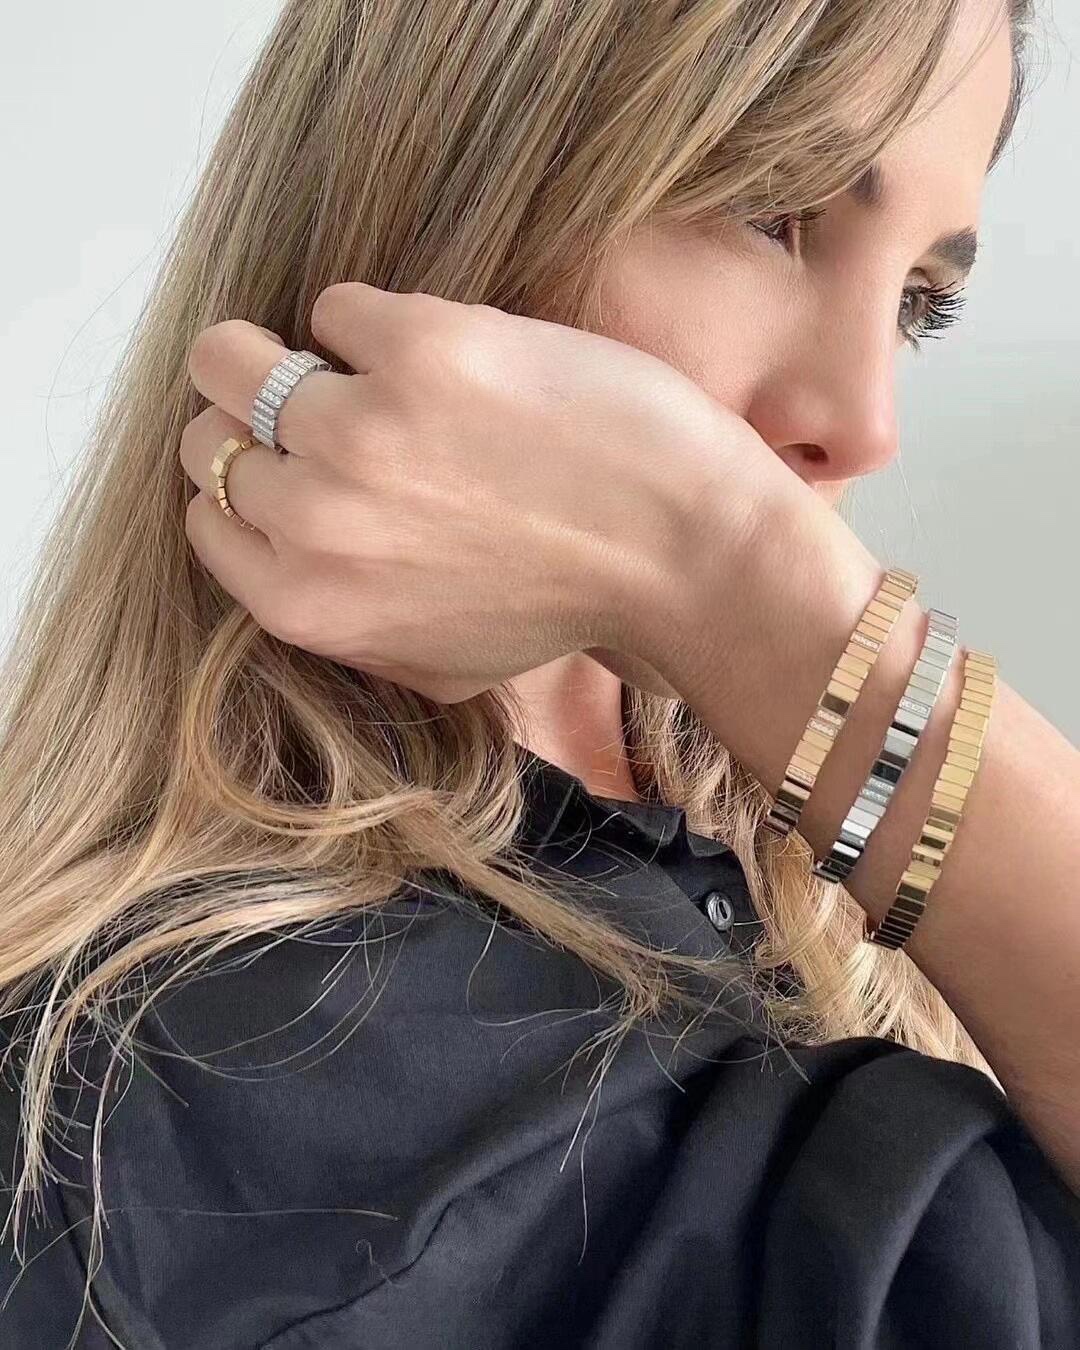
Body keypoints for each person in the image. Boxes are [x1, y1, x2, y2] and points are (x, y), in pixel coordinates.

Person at [1, 0, 1077, 1345]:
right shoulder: (227, 1108)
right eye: (772, 210)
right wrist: (727, 563)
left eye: (919, 300)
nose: (865, 422)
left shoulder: (809, 907)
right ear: (457, 178)